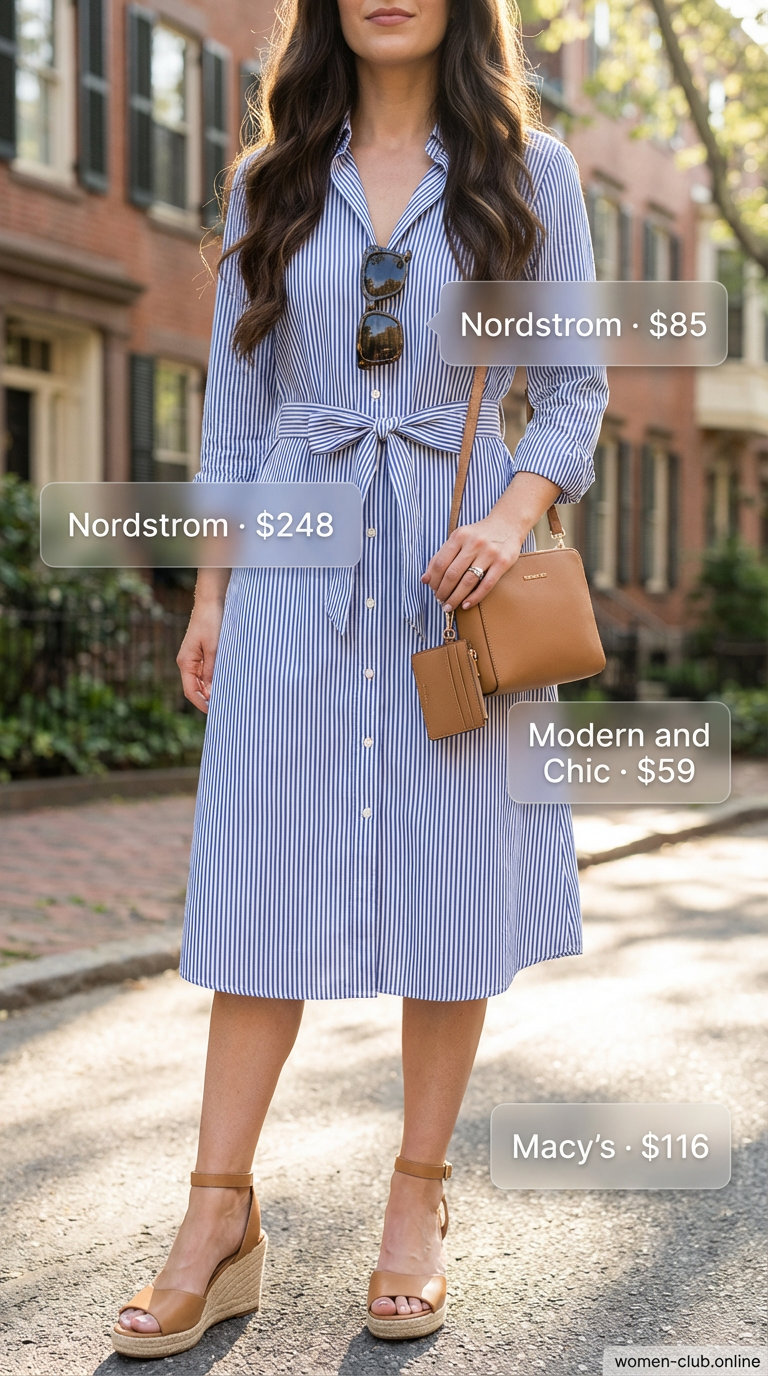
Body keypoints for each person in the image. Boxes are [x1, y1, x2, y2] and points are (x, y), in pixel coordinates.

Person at [112, 0, 609, 1357]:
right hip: (293, 559)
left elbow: (572, 387)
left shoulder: (530, 173)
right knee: (261, 873)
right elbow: (239, 403)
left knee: (450, 874)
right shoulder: (271, 179)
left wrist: (508, 525)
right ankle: (217, 1218)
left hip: (457, 576)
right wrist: (210, 593)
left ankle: (418, 1201)